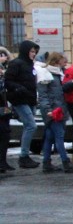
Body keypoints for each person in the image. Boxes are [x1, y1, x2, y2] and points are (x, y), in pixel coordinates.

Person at [36, 52, 73, 173]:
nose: (65, 61)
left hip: (57, 109)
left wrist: (70, 83)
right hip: (55, 111)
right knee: (59, 136)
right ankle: (65, 162)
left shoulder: (56, 74)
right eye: (63, 60)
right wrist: (48, 110)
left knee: (50, 137)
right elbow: (43, 95)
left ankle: (46, 163)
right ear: (57, 61)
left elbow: (57, 91)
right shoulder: (46, 74)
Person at [4, 40, 41, 168]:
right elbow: (8, 81)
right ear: (25, 51)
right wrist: (18, 88)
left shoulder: (31, 65)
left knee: (28, 126)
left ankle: (25, 155)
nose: (34, 54)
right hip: (19, 99)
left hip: (29, 99)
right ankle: (23, 156)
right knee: (31, 125)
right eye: (31, 51)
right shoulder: (16, 64)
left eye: (35, 51)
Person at [0, 46, 15, 172]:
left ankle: (3, 162)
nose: (3, 57)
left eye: (4, 55)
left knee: (5, 133)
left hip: (5, 106)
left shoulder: (6, 70)